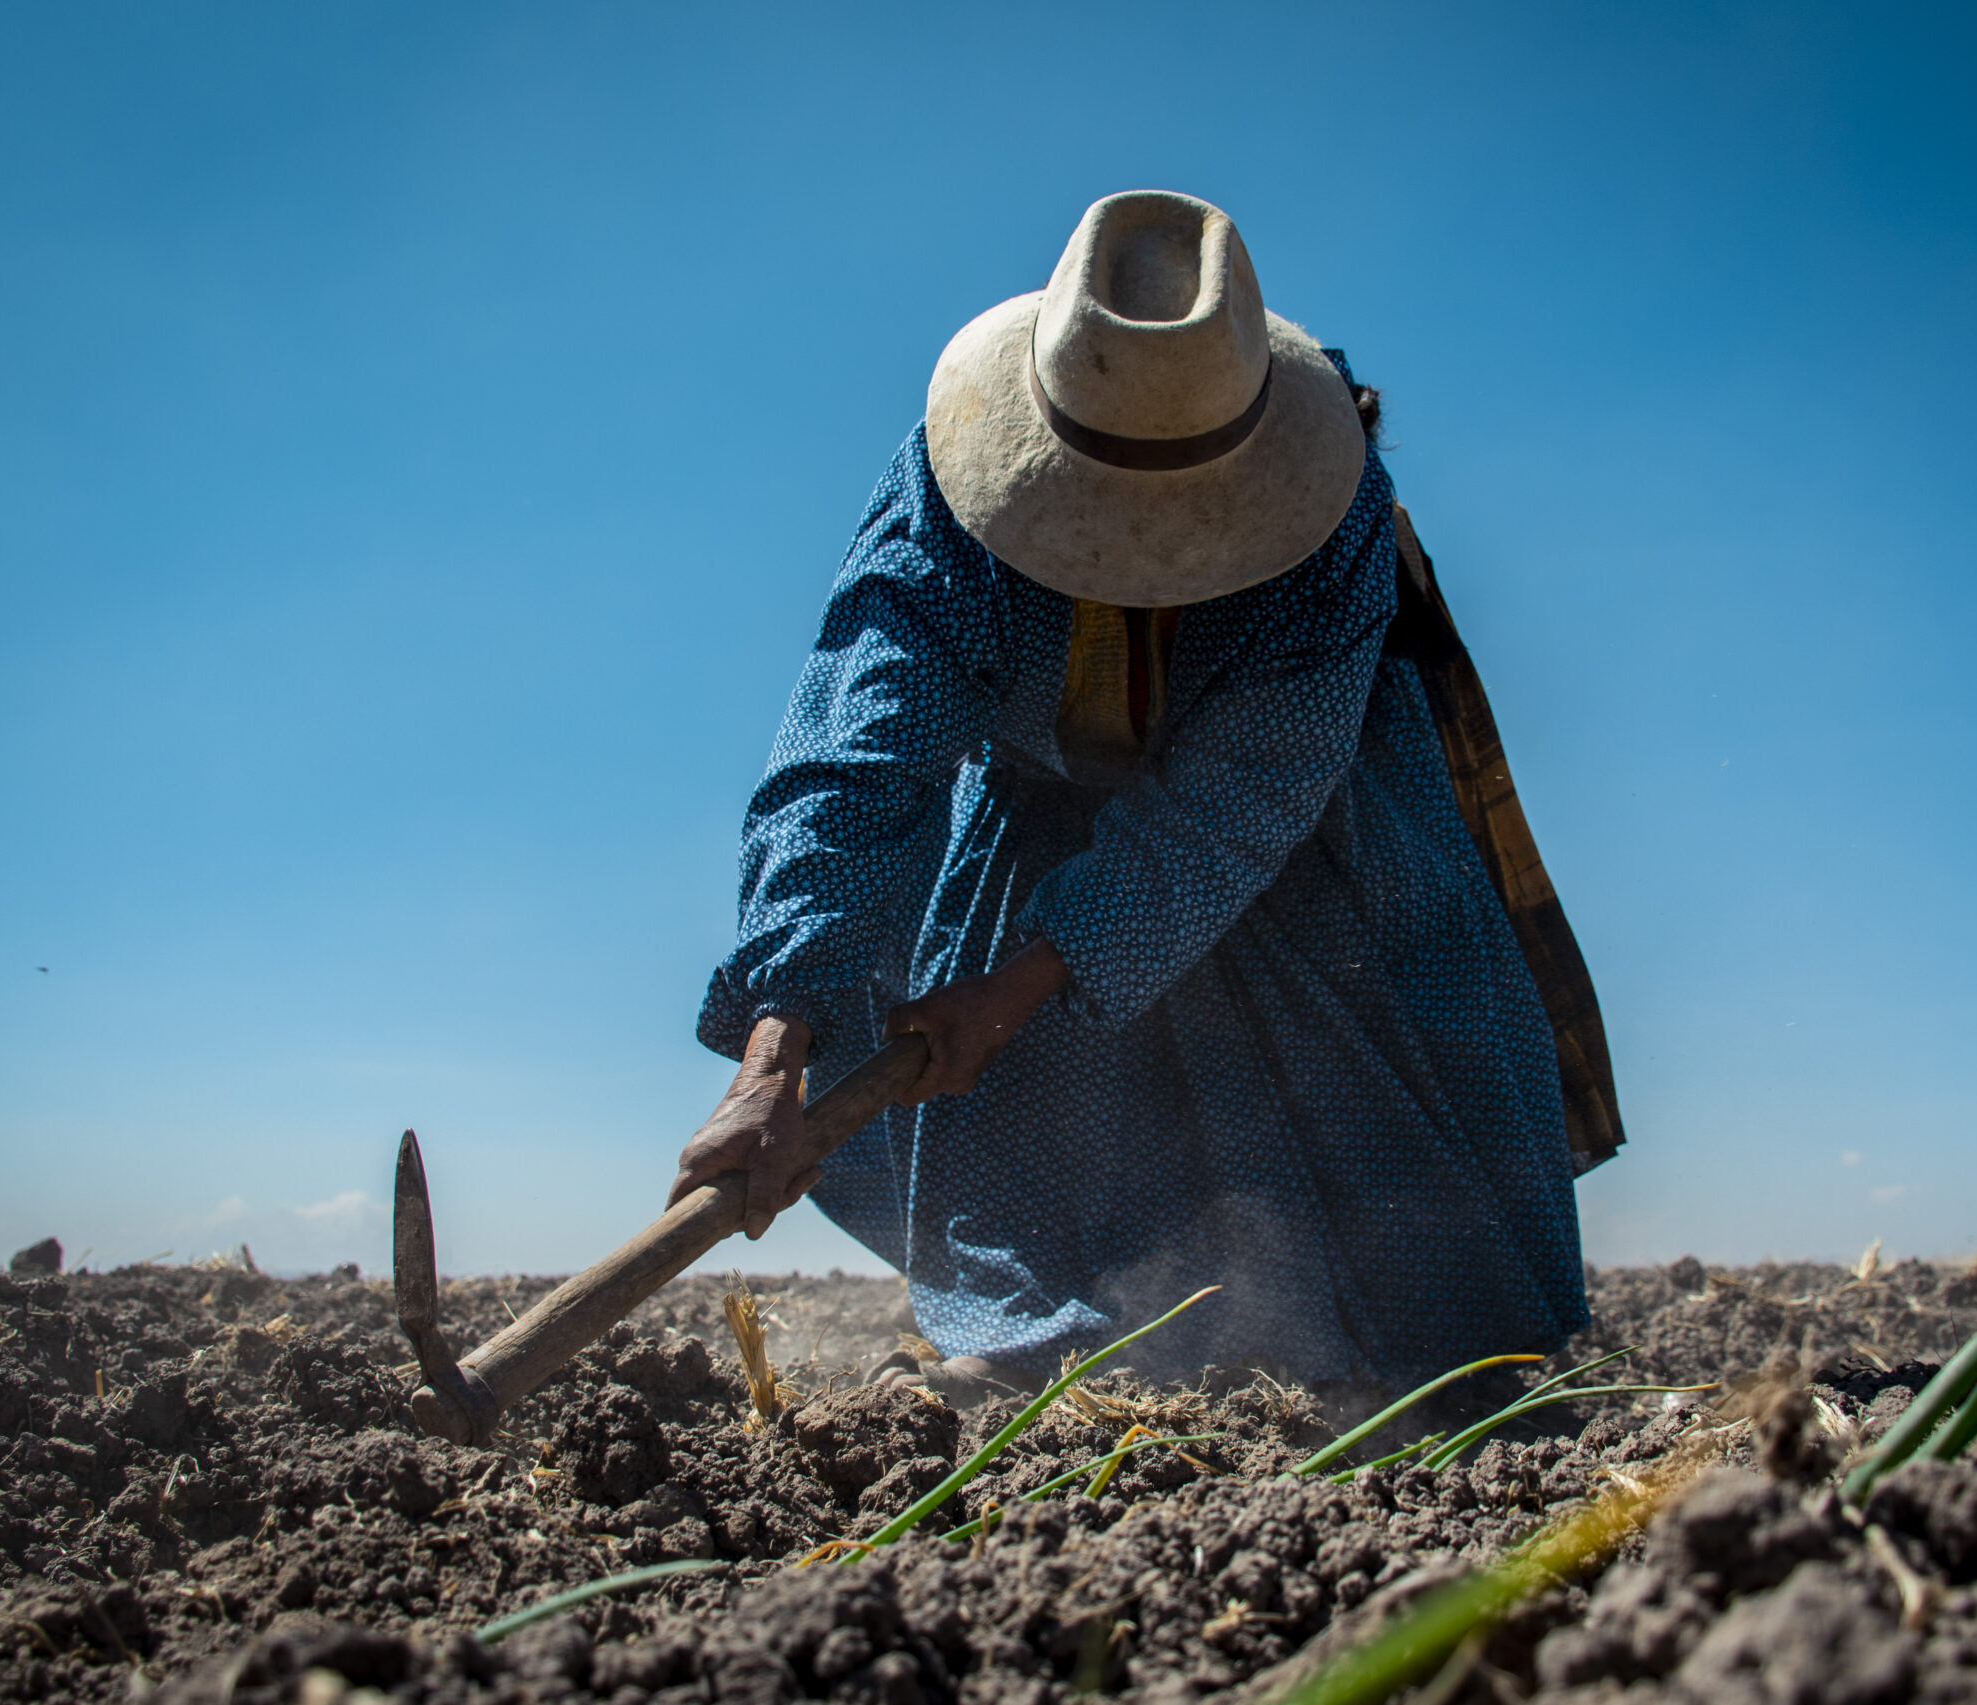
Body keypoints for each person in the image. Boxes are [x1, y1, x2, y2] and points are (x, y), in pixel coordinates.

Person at [673, 190, 1621, 1398]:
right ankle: (1038, 1349)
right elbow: (855, 758)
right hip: (1039, 793)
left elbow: (1234, 804)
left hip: (1304, 823)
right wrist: (774, 1055)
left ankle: (1411, 1364)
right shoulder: (942, 514)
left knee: (1349, 1072)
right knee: (1019, 1086)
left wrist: (1022, 984)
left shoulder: (1329, 531)